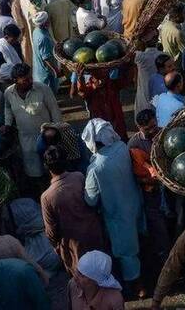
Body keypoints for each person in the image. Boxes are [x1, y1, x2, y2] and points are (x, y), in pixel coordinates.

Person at [83, 118, 144, 291]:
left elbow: (90, 200)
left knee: (126, 252)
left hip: (117, 216)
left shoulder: (95, 168)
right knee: (138, 240)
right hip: (134, 203)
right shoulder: (122, 147)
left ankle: (136, 284)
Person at [41, 146, 107, 274]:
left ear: (46, 167)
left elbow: (51, 231)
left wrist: (57, 247)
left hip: (75, 246)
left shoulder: (47, 197)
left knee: (85, 278)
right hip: (94, 234)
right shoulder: (79, 177)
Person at [129, 109, 171, 284]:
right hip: (151, 196)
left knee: (175, 225)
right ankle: (167, 270)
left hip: (170, 192)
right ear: (139, 128)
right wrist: (150, 179)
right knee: (160, 233)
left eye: (154, 126)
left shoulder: (166, 135)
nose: (153, 131)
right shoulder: (134, 144)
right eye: (148, 129)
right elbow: (134, 174)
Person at [4, 63, 61, 179]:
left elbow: (55, 111)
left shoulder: (43, 89)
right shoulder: (8, 93)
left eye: (30, 77)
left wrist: (57, 131)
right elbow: (8, 108)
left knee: (52, 169)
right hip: (25, 139)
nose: (30, 81)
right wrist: (7, 124)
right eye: (25, 80)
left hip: (46, 138)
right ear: (15, 81)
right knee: (34, 171)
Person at [76, 65, 129, 139]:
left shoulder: (112, 84)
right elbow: (82, 92)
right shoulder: (90, 87)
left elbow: (126, 80)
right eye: (100, 70)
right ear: (93, 73)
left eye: (104, 70)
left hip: (117, 127)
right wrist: (80, 78)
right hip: (100, 129)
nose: (103, 72)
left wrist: (129, 64)